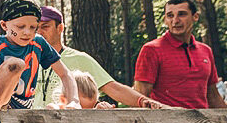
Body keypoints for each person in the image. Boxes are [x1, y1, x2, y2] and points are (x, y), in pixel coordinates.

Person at [0, 0, 79, 114]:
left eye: (33, 27)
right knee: (16, 64)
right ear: (4, 25)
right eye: (20, 26)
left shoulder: (38, 43)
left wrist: (73, 101)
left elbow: (65, 73)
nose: (27, 32)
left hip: (22, 105)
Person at [34, 6, 165, 109]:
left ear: (60, 28)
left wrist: (144, 101)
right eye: (36, 28)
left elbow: (114, 89)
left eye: (45, 26)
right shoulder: (28, 58)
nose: (39, 32)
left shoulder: (79, 59)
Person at [134, 0, 226, 109]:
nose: (175, 21)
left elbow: (213, 96)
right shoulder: (151, 49)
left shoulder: (205, 50)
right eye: (170, 16)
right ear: (165, 20)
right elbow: (140, 96)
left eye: (182, 14)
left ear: (195, 17)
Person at [47, 71, 112, 110]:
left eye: (91, 109)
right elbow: (50, 108)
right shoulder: (55, 107)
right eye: (80, 108)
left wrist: (98, 112)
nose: (84, 115)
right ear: (63, 99)